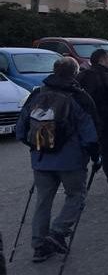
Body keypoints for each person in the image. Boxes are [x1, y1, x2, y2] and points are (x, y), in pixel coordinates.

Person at [15, 57, 98, 263]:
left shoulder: (37, 94)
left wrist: (37, 147)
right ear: (75, 73)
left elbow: (20, 129)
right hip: (71, 159)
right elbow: (90, 134)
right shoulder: (79, 97)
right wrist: (96, 157)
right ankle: (58, 232)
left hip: (41, 158)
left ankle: (39, 245)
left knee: (43, 201)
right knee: (76, 195)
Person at [76, 49, 108, 192]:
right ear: (102, 60)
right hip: (104, 119)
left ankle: (78, 184)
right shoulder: (107, 77)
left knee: (84, 151)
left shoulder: (82, 75)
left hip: (84, 120)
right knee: (107, 151)